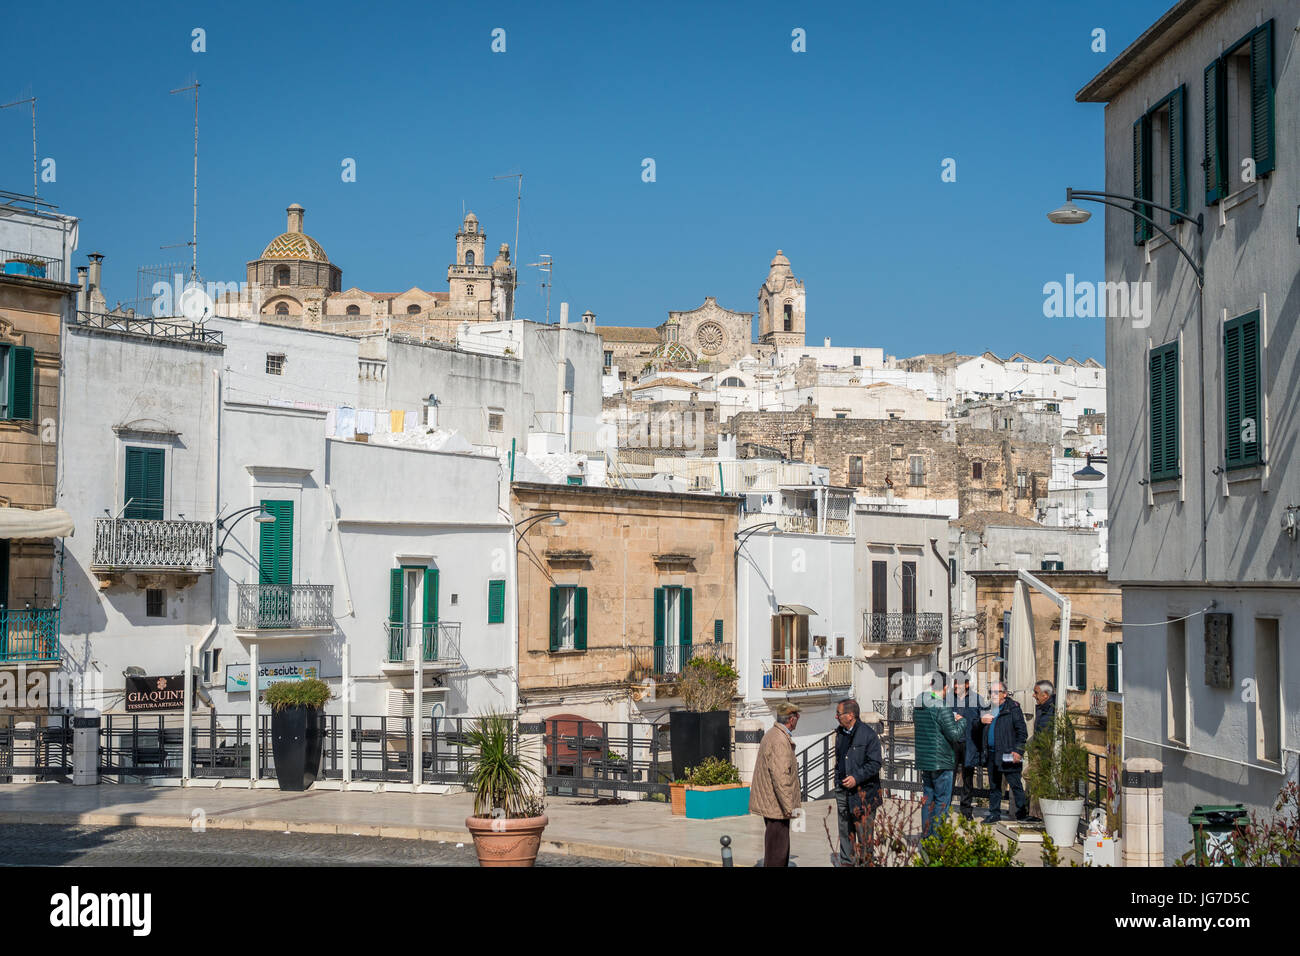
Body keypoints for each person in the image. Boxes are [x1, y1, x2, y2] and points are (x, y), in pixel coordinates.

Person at [914, 670, 966, 840]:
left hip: (925, 759)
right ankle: (937, 840)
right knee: (942, 801)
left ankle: (927, 837)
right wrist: (961, 720)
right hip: (942, 760)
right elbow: (954, 735)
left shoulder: (919, 704)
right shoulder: (941, 706)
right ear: (944, 687)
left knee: (928, 800)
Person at [749, 702, 802, 867]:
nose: (798, 720)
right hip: (777, 806)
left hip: (772, 803)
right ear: (791, 719)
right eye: (797, 717)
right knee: (777, 852)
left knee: (776, 848)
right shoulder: (780, 740)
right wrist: (789, 807)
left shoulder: (773, 734)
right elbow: (781, 777)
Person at [833, 698, 882, 865]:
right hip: (842, 791)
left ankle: (865, 862)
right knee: (845, 829)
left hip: (864, 793)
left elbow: (875, 764)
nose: (836, 717)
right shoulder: (840, 733)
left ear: (850, 715)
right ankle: (846, 861)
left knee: (864, 832)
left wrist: (856, 778)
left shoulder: (868, 735)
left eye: (839, 714)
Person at [981, 681, 1029, 823]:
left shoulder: (1012, 708)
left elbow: (1022, 732)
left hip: (1008, 754)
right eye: (991, 692)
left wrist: (1018, 751)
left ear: (1005, 694)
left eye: (996, 692)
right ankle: (994, 813)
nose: (993, 695)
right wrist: (981, 721)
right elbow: (977, 726)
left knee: (1015, 784)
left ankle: (1021, 814)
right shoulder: (988, 708)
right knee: (994, 786)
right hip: (991, 753)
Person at [951, 676, 983, 819]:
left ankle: (966, 810)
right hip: (952, 743)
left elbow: (981, 720)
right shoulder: (949, 699)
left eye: (959, 684)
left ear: (967, 684)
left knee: (968, 778)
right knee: (949, 776)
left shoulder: (977, 700)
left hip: (969, 743)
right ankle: (945, 806)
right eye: (955, 684)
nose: (956, 686)